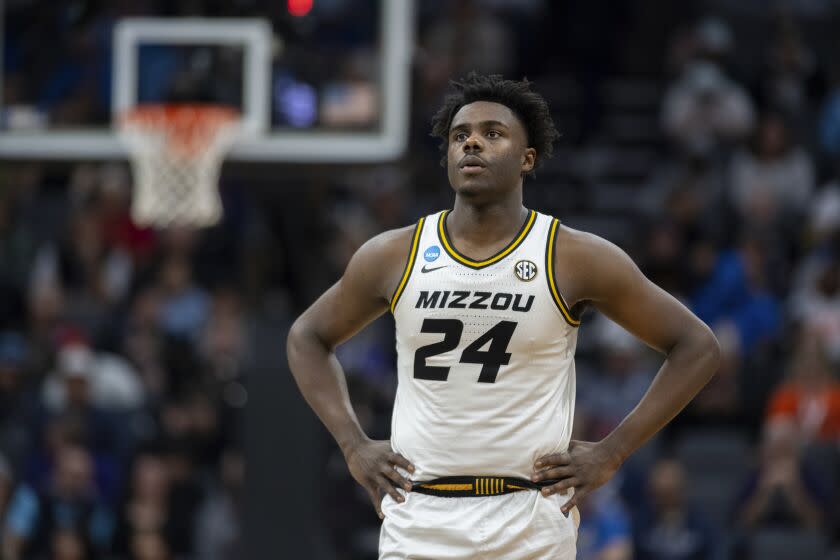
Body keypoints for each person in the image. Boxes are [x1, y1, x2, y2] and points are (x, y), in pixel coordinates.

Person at [287, 73, 720, 558]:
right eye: (460, 135)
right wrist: (352, 444)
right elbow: (307, 336)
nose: (472, 140)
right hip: (420, 518)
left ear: (526, 159)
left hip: (528, 522)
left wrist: (612, 451)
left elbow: (697, 346)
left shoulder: (571, 255)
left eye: (493, 133)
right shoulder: (394, 254)